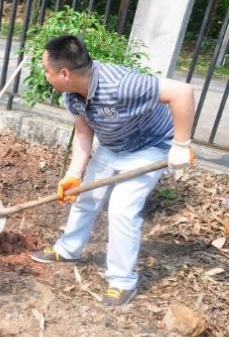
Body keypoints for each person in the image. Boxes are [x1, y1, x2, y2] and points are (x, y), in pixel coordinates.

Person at [30, 35, 195, 306]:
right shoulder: (72, 94)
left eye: (47, 71)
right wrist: (74, 175)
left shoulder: (121, 84)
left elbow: (182, 92)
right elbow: (83, 134)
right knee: (86, 196)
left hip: (148, 147)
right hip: (112, 147)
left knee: (122, 209)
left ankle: (122, 281)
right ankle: (68, 249)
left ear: (64, 73)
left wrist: (181, 145)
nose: (45, 76)